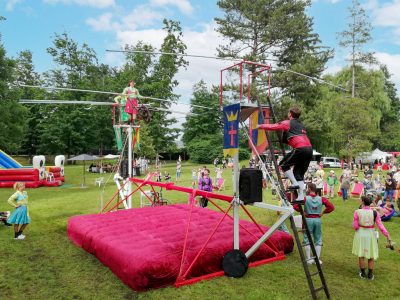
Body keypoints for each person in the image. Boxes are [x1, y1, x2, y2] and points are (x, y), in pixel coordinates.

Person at [256, 107, 312, 201]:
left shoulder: (288, 123)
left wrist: (260, 126)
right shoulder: (301, 125)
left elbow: (274, 126)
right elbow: (294, 139)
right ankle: (301, 197)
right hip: (309, 149)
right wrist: (283, 141)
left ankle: (294, 184)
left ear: (290, 114)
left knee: (283, 164)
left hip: (300, 148)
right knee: (298, 174)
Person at [293, 183, 334, 265]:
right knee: (318, 239)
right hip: (317, 220)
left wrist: (303, 212)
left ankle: (308, 259)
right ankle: (317, 260)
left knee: (307, 238)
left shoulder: (305, 199)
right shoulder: (321, 199)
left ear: (309, 189)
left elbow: (295, 206)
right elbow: (331, 207)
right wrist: (323, 212)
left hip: (308, 220)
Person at [352, 195, 391, 280]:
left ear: (362, 202)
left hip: (361, 233)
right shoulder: (375, 213)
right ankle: (370, 274)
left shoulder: (357, 211)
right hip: (370, 234)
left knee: (361, 254)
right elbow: (380, 226)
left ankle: (363, 274)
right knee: (371, 255)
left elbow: (355, 226)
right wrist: (387, 235)